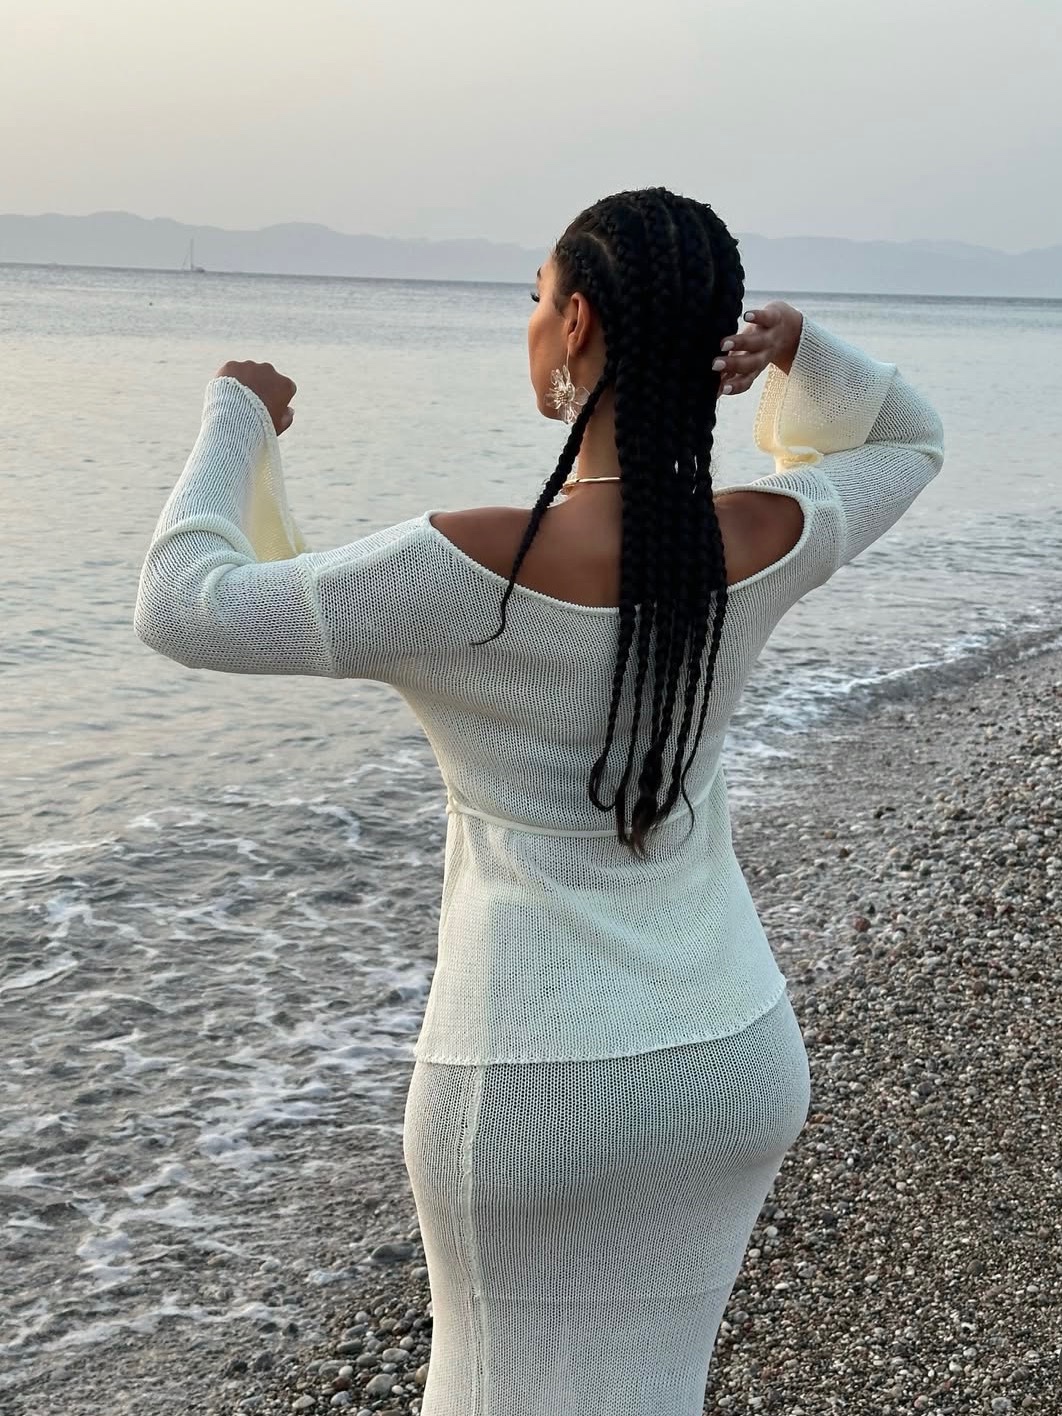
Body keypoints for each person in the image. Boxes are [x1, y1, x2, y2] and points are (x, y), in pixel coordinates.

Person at [134, 186, 944, 1416]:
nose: (530, 323)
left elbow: (185, 604)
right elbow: (909, 441)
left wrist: (235, 415)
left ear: (575, 324)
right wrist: (805, 352)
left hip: (529, 1078)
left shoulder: (464, 567)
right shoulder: (769, 535)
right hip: (730, 1054)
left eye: (534, 299)